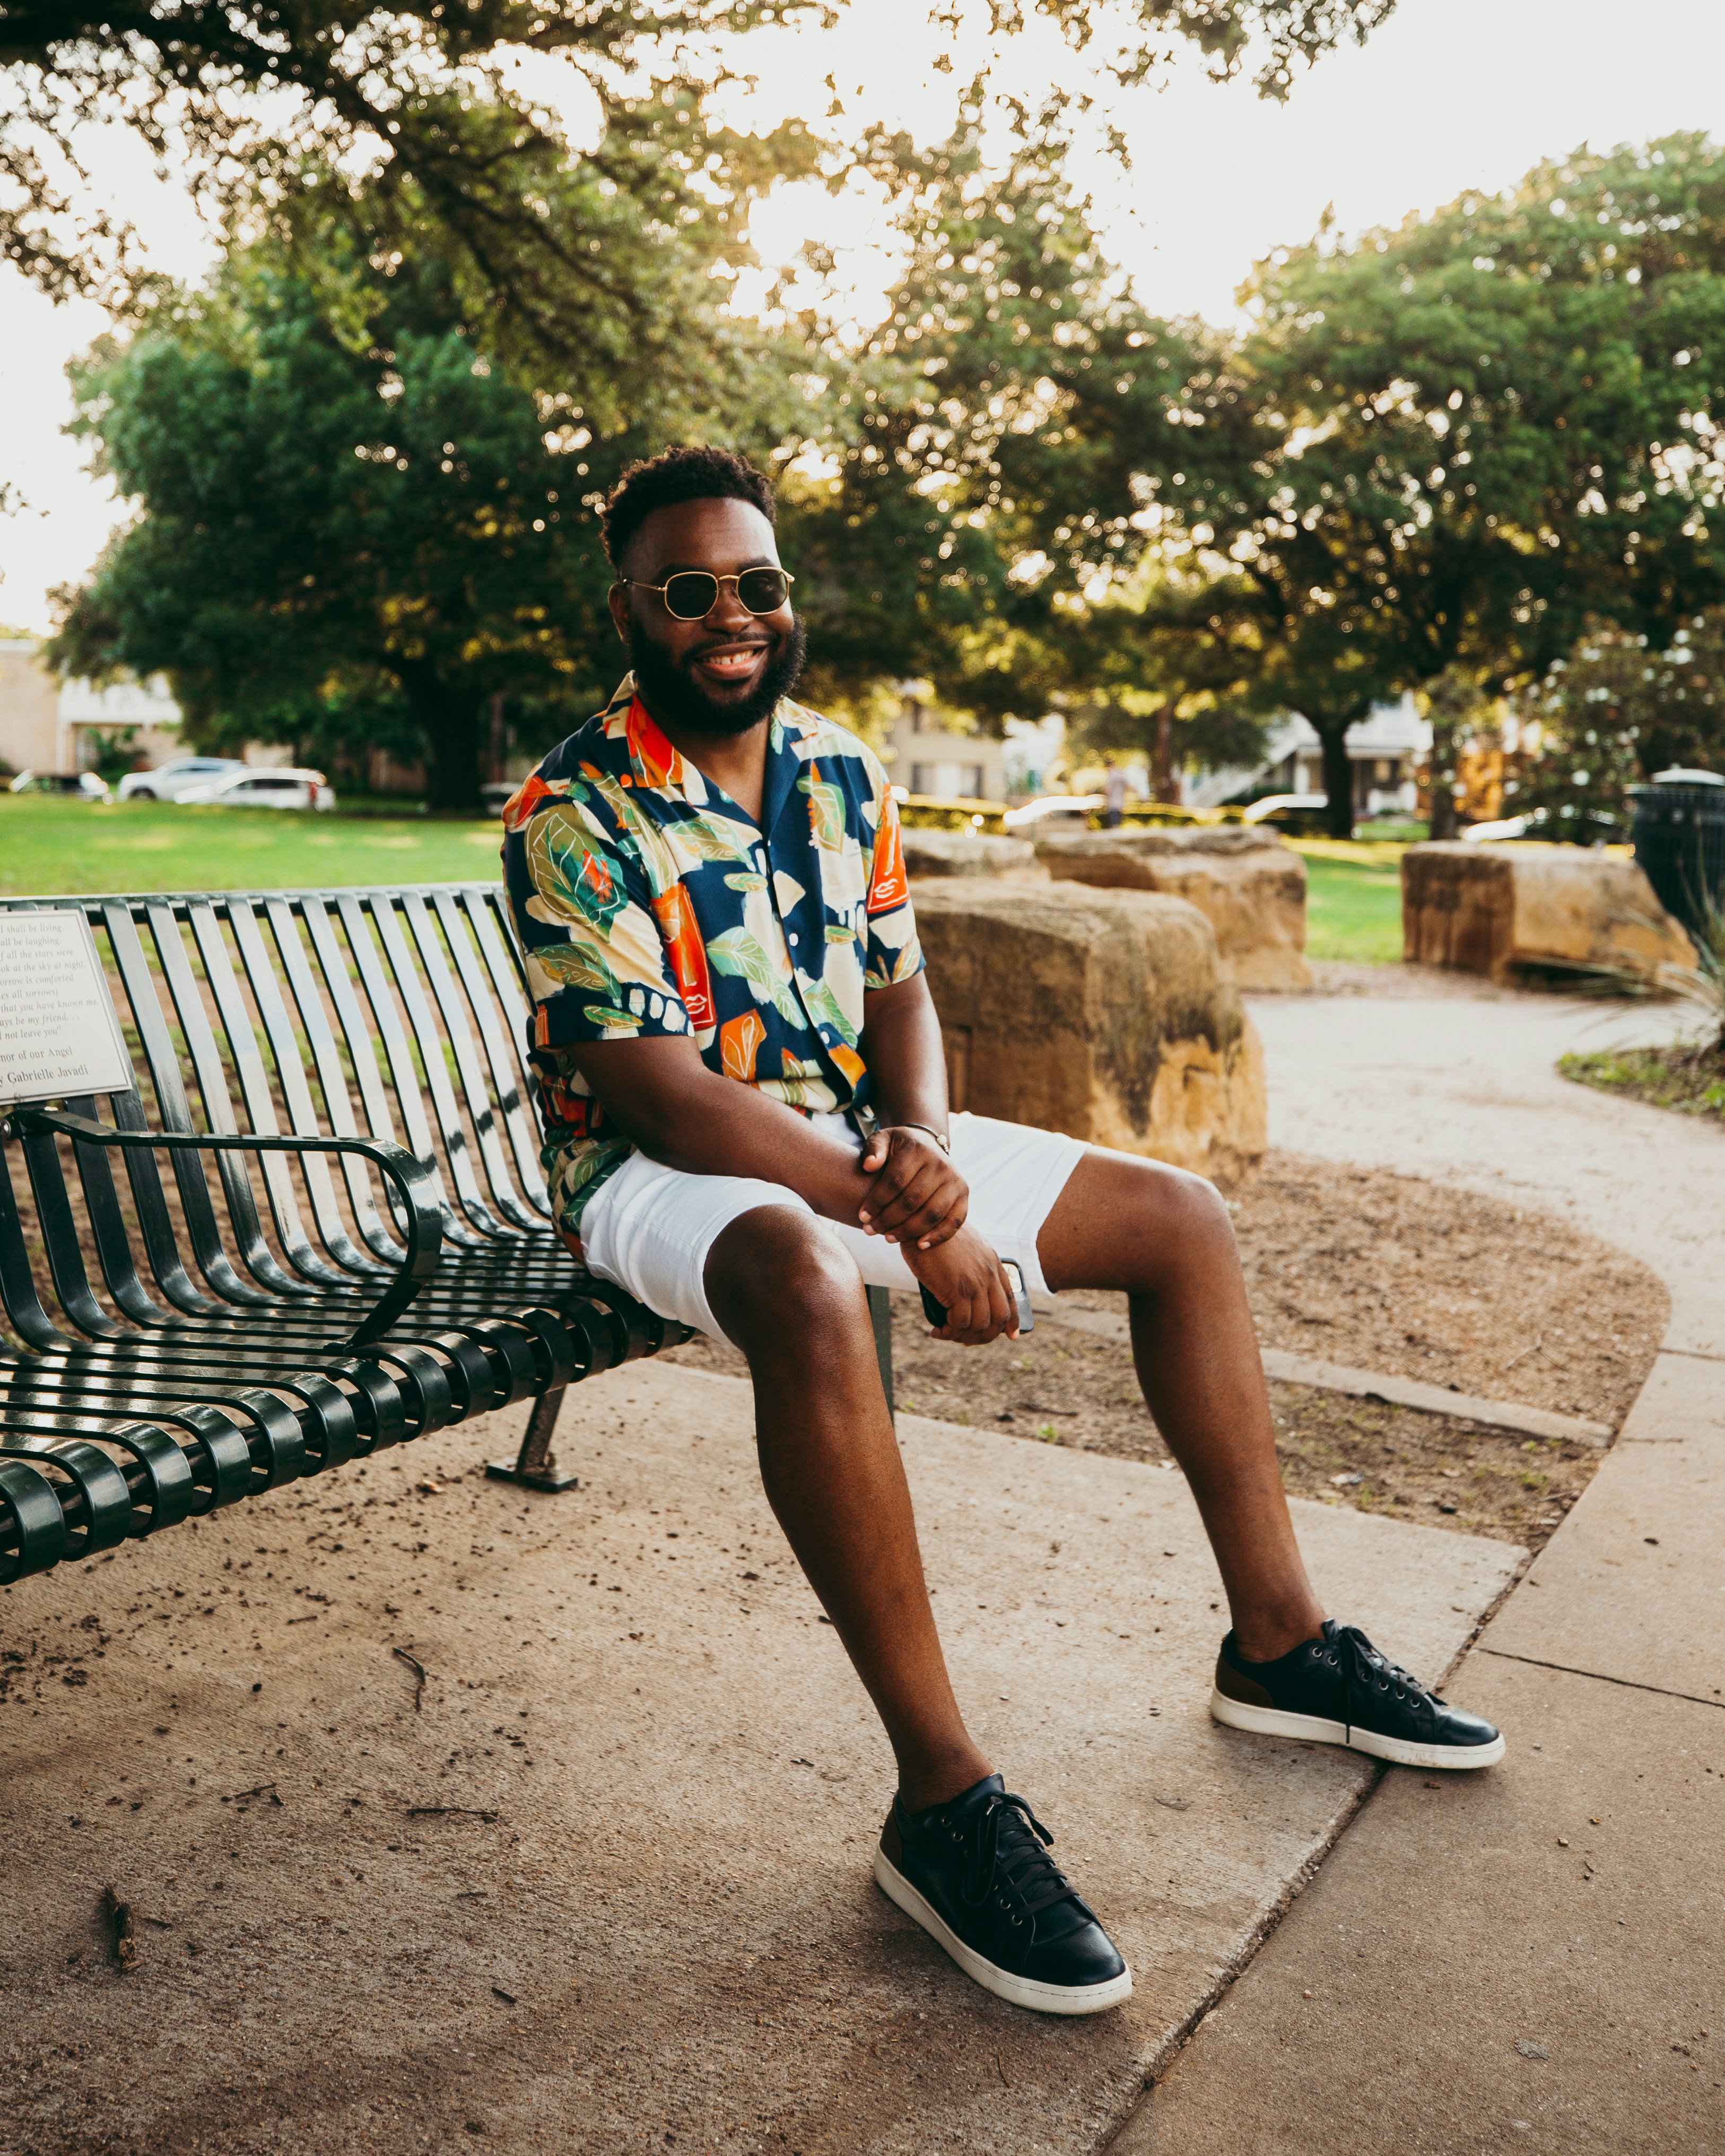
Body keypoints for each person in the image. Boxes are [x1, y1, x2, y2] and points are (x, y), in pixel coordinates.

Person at [501, 447, 1504, 2020]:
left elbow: (899, 985)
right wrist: (893, 1208)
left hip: (859, 1142)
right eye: (688, 588)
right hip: (650, 1173)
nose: (730, 613)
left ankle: (1281, 1643)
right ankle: (942, 1798)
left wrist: (919, 1139)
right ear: (627, 605)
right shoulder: (572, 807)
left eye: (756, 582)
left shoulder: (837, 767)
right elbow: (662, 1092)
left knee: (1181, 1217)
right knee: (803, 1283)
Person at [1101, 756, 1128, 828]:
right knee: (1118, 822)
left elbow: (1107, 790)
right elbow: (1128, 786)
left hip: (1113, 803)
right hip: (1120, 803)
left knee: (1114, 823)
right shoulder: (1122, 775)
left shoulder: (1111, 776)